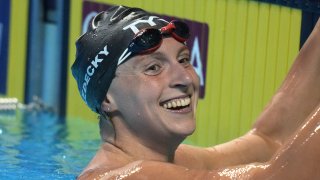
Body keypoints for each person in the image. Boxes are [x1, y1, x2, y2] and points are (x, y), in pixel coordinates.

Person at [71, 5, 320, 179]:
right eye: (153, 68)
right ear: (106, 98)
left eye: (183, 60)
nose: (183, 78)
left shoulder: (172, 162)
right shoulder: (129, 177)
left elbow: (268, 141)